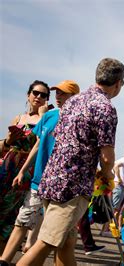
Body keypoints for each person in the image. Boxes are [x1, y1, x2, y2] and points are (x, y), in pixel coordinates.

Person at [17, 58, 124, 266]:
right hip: (72, 187)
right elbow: (107, 157)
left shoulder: (73, 101)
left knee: (66, 242)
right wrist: (108, 174)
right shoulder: (105, 107)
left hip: (52, 179)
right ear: (118, 83)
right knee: (46, 242)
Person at [0, 80, 81, 264]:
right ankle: (4, 260)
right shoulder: (49, 115)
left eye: (64, 94)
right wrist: (22, 171)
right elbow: (38, 144)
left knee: (56, 234)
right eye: (57, 93)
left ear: (75, 97)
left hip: (59, 184)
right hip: (36, 179)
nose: (59, 97)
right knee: (23, 220)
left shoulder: (77, 119)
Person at [0, 80, 50, 252]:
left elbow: (43, 143)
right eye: (35, 93)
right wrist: (10, 140)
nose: (38, 97)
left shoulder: (47, 119)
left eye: (43, 95)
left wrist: (44, 117)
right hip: (8, 165)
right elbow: (6, 145)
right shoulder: (19, 118)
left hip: (28, 169)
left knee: (12, 213)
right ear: (28, 95)